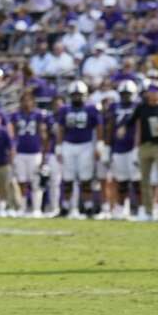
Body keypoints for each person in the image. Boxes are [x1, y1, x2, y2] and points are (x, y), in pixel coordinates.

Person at [56, 81, 102, 218]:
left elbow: (98, 127)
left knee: (86, 178)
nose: (77, 97)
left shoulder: (91, 109)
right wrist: (58, 147)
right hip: (68, 145)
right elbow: (60, 128)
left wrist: (99, 145)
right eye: (75, 95)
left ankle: (88, 207)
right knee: (67, 178)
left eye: (79, 95)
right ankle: (65, 207)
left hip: (86, 145)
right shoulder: (64, 109)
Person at [128, 84, 158, 221]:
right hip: (144, 145)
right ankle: (148, 210)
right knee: (144, 179)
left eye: (155, 92)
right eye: (150, 92)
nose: (152, 94)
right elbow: (132, 122)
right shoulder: (142, 107)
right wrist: (124, 130)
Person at [10, 91, 47, 217]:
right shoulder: (16, 115)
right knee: (22, 181)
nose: (26, 103)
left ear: (33, 101)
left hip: (34, 151)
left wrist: (44, 153)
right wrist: (12, 150)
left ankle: (37, 209)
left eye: (28, 100)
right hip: (20, 152)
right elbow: (13, 134)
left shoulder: (38, 115)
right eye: (24, 100)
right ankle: (23, 207)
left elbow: (42, 134)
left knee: (35, 181)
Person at [106, 80, 140, 219]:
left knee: (137, 181)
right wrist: (107, 146)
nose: (126, 96)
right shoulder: (114, 106)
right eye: (123, 94)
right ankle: (121, 208)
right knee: (122, 181)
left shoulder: (138, 106)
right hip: (118, 148)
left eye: (128, 94)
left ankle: (142, 209)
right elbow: (110, 126)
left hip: (133, 147)